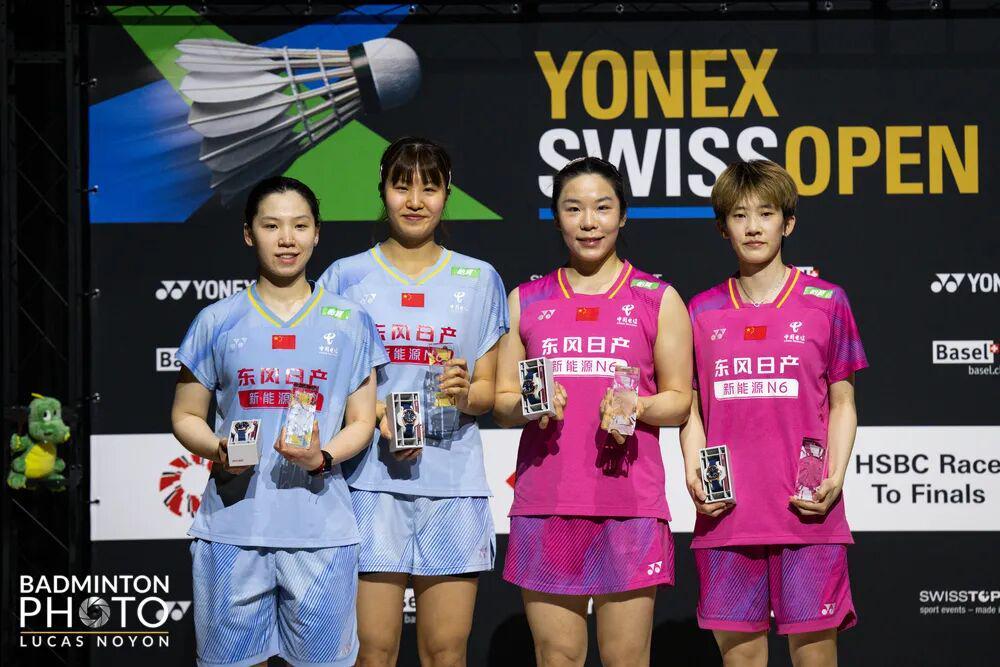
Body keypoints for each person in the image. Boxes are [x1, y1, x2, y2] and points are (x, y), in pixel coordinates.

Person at [171, 177, 387, 667]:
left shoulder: (350, 320)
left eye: (300, 226)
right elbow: (185, 414)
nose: (287, 239)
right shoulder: (217, 320)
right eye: (271, 226)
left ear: (317, 233)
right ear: (249, 234)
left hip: (320, 533)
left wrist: (322, 456)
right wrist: (217, 448)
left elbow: (361, 420)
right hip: (233, 529)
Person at [493, 157, 693, 666]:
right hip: (546, 503)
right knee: (557, 656)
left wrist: (637, 404)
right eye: (573, 209)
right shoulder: (526, 300)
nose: (589, 222)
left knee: (626, 658)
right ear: (556, 217)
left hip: (629, 503)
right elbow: (501, 401)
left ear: (622, 215)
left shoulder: (658, 298)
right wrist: (532, 404)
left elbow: (679, 399)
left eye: (602, 208)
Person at [318, 137, 509, 667]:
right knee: (372, 651)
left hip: (452, 485)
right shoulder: (345, 277)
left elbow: (488, 393)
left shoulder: (480, 278)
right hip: (368, 484)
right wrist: (375, 414)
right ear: (382, 190)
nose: (416, 201)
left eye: (430, 187)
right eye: (402, 186)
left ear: (448, 194)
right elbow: (324, 388)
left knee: (445, 651)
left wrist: (465, 394)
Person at [680, 159, 868, 667]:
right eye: (739, 215)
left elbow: (843, 402)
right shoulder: (699, 311)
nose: (753, 227)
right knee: (741, 660)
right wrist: (695, 473)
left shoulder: (827, 302)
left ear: (788, 223)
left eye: (766, 214)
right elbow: (691, 409)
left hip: (807, 513)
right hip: (727, 516)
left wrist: (834, 476)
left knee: (815, 660)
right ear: (723, 228)